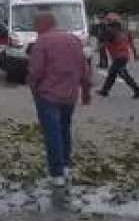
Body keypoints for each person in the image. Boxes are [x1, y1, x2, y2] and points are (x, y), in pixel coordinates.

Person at [26, 11, 92, 188]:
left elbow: (36, 71)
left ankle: (57, 174)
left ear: (43, 24)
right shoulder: (73, 40)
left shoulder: (42, 42)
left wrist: (32, 85)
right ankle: (65, 165)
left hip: (48, 95)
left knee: (52, 132)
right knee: (64, 129)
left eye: (35, 24)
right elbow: (84, 68)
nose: (34, 27)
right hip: (70, 95)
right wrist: (86, 91)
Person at [98, 12, 139, 99]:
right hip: (124, 56)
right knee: (112, 73)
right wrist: (135, 53)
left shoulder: (111, 32)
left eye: (108, 21)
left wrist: (99, 47)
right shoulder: (125, 32)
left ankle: (138, 90)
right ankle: (104, 91)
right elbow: (131, 44)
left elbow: (105, 43)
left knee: (122, 74)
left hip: (118, 57)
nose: (107, 24)